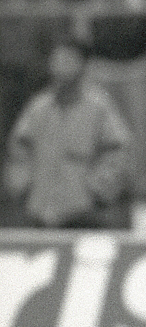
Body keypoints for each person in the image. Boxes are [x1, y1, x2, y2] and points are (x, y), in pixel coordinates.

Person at [4, 31, 133, 228]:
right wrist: (21, 187)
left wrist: (97, 190)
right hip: (39, 212)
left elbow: (118, 151)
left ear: (83, 65)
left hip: (84, 213)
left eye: (68, 60)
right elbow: (19, 151)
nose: (60, 66)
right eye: (57, 60)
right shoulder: (38, 107)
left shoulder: (99, 107)